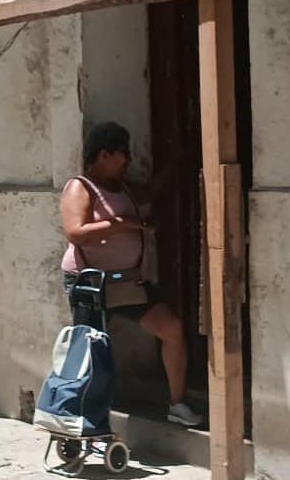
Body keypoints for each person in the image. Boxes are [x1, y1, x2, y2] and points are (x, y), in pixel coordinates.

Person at [59, 121, 202, 427]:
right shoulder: (81, 187)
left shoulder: (123, 187)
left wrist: (177, 158)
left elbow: (149, 192)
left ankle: (177, 404)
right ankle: (75, 415)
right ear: (103, 155)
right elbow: (75, 232)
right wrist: (124, 224)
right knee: (89, 350)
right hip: (91, 284)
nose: (129, 160)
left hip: (127, 283)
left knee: (172, 328)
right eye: (123, 153)